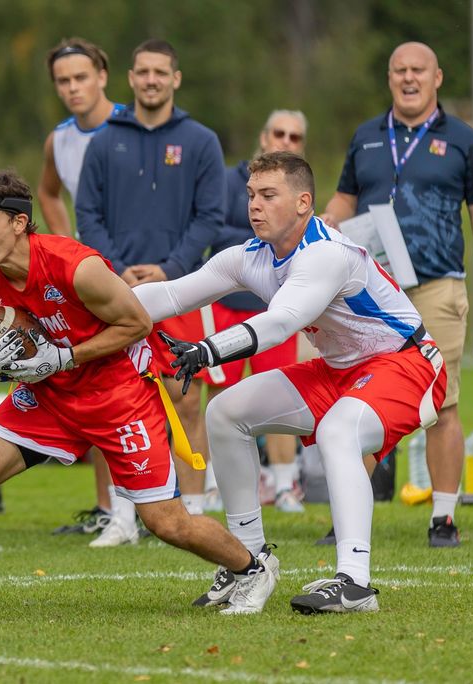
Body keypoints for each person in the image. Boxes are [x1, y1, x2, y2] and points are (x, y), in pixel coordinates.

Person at [0, 169, 279, 616]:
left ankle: (253, 568)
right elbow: (29, 341)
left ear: (18, 223)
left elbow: (137, 325)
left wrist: (64, 357)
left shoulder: (76, 266)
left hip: (118, 395)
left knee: (167, 523)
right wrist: (5, 361)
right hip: (50, 395)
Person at [135, 151, 447, 613]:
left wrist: (207, 350)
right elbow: (172, 293)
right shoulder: (251, 256)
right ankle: (249, 563)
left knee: (337, 431)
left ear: (304, 203)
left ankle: (354, 583)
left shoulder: (327, 253)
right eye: (250, 195)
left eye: (268, 195)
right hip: (340, 370)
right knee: (225, 413)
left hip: (407, 363)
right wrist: (81, 312)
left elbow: (281, 323)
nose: (253, 206)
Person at [320, 41, 473, 547]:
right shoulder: (366, 137)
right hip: (371, 294)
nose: (409, 78)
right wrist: (327, 220)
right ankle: (348, 513)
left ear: (437, 77)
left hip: (435, 286)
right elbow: (345, 196)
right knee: (357, 399)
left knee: (441, 402)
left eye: (418, 70)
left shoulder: (464, 139)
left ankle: (443, 517)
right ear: (389, 78)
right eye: (399, 70)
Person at [77, 39, 224, 545]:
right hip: (114, 292)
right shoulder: (103, 141)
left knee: (186, 397)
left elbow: (210, 216)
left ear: (175, 79)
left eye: (161, 72)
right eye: (143, 72)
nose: (152, 80)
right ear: (130, 78)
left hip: (179, 289)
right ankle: (123, 517)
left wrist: (170, 269)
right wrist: (114, 274)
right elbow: (86, 215)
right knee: (113, 401)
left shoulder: (201, 140)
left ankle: (195, 507)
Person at [37, 37, 125, 538]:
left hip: (141, 270)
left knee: (172, 390)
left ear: (102, 76)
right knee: (98, 383)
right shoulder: (59, 139)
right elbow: (49, 192)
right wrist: (66, 243)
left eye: (81, 78)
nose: (72, 88)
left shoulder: (133, 126)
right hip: (89, 277)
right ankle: (107, 505)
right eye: (63, 81)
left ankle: (186, 496)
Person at [204, 109, 307, 514]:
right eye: (278, 132)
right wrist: (266, 236)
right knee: (219, 395)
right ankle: (214, 484)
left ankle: (285, 486)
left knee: (279, 395)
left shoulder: (301, 188)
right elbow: (214, 231)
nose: (285, 140)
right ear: (264, 137)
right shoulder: (232, 181)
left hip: (278, 309)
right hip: (229, 303)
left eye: (294, 136)